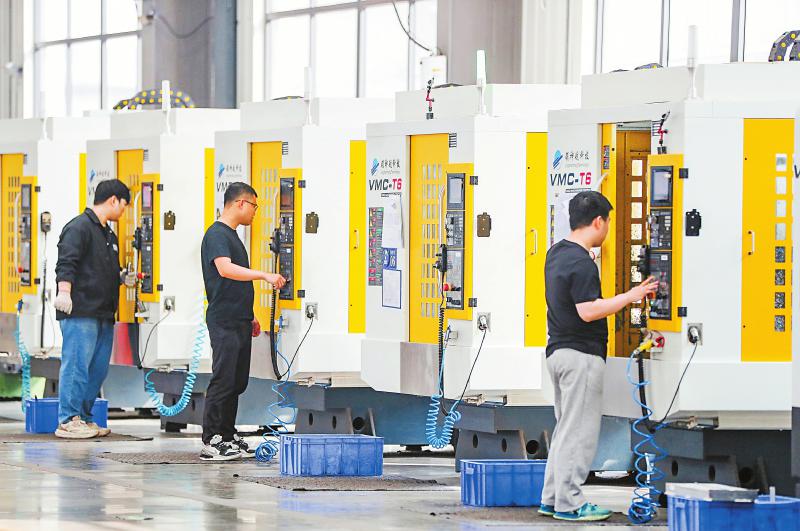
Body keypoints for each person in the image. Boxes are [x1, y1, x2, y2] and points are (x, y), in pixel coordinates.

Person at [539, 190, 658, 522]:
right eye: (607, 222)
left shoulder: (556, 253)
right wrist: (632, 295)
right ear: (598, 222)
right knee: (579, 432)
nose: (607, 229)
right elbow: (588, 310)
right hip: (581, 357)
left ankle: (553, 498)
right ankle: (570, 503)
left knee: (566, 429)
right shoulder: (582, 263)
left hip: (557, 353)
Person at [199, 182, 286, 461]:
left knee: (237, 382)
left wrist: (251, 315)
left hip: (239, 318)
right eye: (254, 206)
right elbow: (225, 270)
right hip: (224, 319)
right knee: (223, 379)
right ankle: (212, 440)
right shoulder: (217, 234)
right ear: (240, 203)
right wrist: (264, 275)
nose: (255, 213)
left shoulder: (233, 236)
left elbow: (236, 283)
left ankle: (227, 434)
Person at [53, 179, 132, 439]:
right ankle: (68, 420)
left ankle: (84, 418)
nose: (124, 211)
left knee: (97, 370)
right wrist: (64, 291)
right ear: (113, 200)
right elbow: (67, 262)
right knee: (76, 366)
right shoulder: (79, 227)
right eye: (123, 205)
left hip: (103, 313)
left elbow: (102, 269)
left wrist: (122, 277)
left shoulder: (108, 234)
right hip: (80, 311)